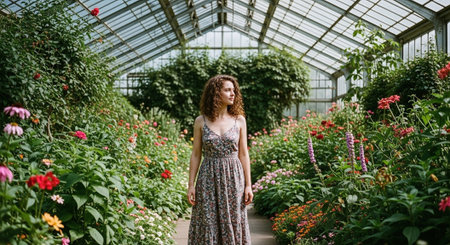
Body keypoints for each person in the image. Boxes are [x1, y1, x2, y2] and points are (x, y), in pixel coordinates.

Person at [187, 74, 253, 244]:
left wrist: (248, 185)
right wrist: (190, 185)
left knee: (234, 218)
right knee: (208, 220)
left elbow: (244, 154)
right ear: (216, 93)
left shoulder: (240, 120)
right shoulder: (201, 121)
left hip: (233, 177)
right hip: (208, 177)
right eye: (227, 90)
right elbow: (196, 154)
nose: (233, 94)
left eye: (234, 90)